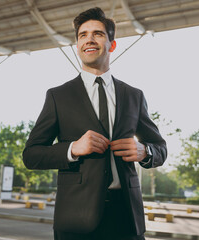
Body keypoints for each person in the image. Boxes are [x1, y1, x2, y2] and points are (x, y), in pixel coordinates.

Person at [23, 7, 167, 240]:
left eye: (98, 33)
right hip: (76, 220)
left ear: (112, 45)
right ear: (77, 45)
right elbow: (31, 155)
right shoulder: (58, 96)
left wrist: (144, 151)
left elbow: (160, 148)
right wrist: (72, 149)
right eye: (83, 35)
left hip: (126, 219)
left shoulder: (134, 95)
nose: (89, 39)